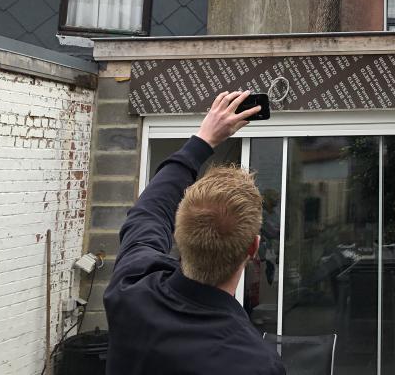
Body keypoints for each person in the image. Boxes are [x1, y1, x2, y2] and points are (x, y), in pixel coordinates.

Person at [104, 90, 285, 375]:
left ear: (177, 233)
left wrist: (203, 139)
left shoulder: (131, 290)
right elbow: (148, 215)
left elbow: (148, 213)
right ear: (253, 248)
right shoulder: (257, 363)